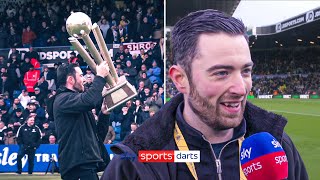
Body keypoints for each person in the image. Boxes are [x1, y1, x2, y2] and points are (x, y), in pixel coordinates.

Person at [102, 10, 308, 180]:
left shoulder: (277, 146)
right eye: (221, 73)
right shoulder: (134, 161)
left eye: (246, 71)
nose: (241, 88)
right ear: (180, 79)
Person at [52, 62, 110, 180]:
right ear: (70, 79)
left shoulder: (78, 105)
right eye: (81, 75)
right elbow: (89, 100)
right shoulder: (62, 100)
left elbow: (97, 136)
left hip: (86, 166)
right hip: (76, 166)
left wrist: (104, 114)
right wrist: (99, 77)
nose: (84, 79)